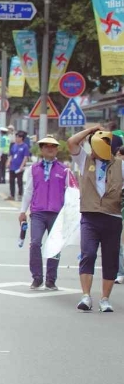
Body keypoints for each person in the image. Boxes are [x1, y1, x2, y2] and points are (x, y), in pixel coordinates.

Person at [68, 128, 124, 312]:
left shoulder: (120, 166)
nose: (94, 149)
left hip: (112, 217)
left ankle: (105, 299)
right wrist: (92, 130)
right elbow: (72, 142)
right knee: (88, 254)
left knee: (110, 259)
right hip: (90, 216)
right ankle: (86, 296)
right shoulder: (85, 160)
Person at [19, 137, 67, 291]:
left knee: (55, 246)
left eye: (53, 146)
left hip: (57, 214)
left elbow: (70, 193)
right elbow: (28, 191)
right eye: (46, 147)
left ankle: (51, 279)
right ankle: (37, 277)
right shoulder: (34, 169)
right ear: (41, 150)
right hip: (38, 212)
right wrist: (22, 211)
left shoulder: (64, 170)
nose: (50, 149)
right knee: (35, 243)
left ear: (57, 149)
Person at [8, 130, 31, 201]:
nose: (16, 138)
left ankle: (20, 195)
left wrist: (22, 166)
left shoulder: (25, 146)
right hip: (12, 166)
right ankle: (12, 195)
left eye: (17, 137)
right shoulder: (14, 146)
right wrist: (8, 162)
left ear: (21, 138)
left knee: (19, 181)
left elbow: (25, 157)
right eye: (16, 137)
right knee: (11, 181)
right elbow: (11, 155)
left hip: (19, 167)